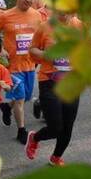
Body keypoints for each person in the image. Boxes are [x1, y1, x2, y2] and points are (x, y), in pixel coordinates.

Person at [26, 14, 84, 166]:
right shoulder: (45, 27)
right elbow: (32, 49)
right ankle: (35, 138)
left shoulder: (80, 26)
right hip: (49, 81)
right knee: (55, 127)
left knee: (68, 125)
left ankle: (56, 157)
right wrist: (47, 54)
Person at [0, 0, 42, 144]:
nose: (28, 0)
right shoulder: (6, 15)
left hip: (30, 64)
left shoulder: (36, 15)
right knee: (20, 98)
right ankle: (22, 130)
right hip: (11, 65)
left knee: (25, 97)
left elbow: (41, 35)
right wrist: (0, 49)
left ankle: (6, 107)